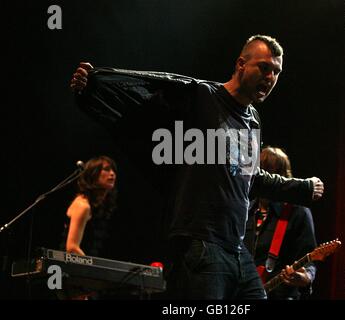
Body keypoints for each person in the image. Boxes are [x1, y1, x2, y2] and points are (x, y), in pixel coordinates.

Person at [69, 35, 324, 299]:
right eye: (263, 67)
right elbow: (143, 99)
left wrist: (301, 188)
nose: (270, 77)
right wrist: (94, 87)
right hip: (201, 243)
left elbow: (250, 178)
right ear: (240, 65)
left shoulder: (252, 120)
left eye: (276, 71)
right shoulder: (203, 97)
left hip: (236, 249)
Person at [246, 146, 317, 300]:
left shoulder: (298, 213)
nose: (266, 178)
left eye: (273, 172)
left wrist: (306, 278)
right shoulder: (245, 210)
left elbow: (309, 259)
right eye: (262, 171)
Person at [61, 155, 117, 257]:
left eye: (113, 170)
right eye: (106, 169)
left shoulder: (99, 205)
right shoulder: (83, 206)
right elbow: (72, 248)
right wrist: (95, 269)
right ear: (93, 175)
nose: (112, 174)